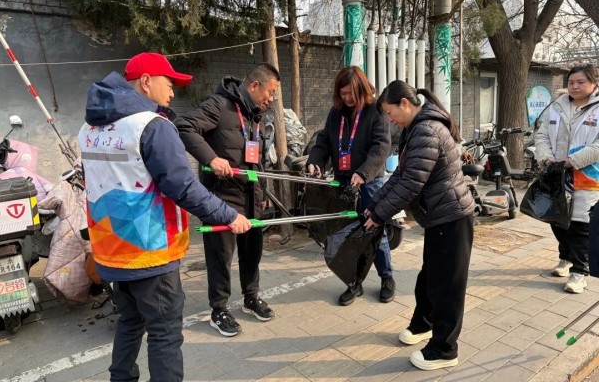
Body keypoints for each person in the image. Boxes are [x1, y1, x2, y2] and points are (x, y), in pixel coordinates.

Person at [78, 52, 252, 382]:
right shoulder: (152, 126)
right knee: (165, 333)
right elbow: (182, 187)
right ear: (146, 81)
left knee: (130, 322)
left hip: (111, 250)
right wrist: (228, 215)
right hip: (149, 251)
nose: (173, 92)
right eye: (169, 83)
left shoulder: (89, 127)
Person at [364, 80, 475, 371]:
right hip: (439, 218)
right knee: (429, 278)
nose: (390, 120)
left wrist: (379, 215)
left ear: (404, 103)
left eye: (390, 113)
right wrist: (374, 205)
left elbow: (411, 184)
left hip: (452, 218)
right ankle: (423, 324)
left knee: (447, 287)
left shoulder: (426, 130)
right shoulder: (415, 129)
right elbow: (400, 176)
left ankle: (444, 349)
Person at [174, 63, 280, 337]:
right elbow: (183, 126)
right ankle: (218, 309)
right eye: (270, 92)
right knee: (221, 258)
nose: (271, 99)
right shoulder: (219, 105)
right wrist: (211, 158)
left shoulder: (255, 115)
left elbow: (257, 161)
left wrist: (262, 194)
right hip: (221, 198)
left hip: (250, 197)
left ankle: (251, 297)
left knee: (252, 252)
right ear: (254, 85)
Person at [306, 66, 395, 306]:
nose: (346, 98)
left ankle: (386, 277)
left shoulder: (376, 111)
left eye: (350, 93)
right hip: (343, 181)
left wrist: (363, 173)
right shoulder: (336, 113)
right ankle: (353, 282)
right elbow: (324, 141)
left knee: (374, 229)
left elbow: (381, 147)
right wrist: (315, 161)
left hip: (369, 183)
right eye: (342, 93)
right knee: (346, 234)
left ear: (361, 89)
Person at [535, 63, 599, 293]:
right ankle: (566, 257)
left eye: (581, 82)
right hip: (556, 173)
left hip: (586, 175)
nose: (575, 86)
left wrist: (573, 161)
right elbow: (541, 135)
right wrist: (545, 157)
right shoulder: (557, 106)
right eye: (571, 82)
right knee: (556, 219)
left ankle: (579, 273)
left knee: (580, 224)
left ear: (594, 83)